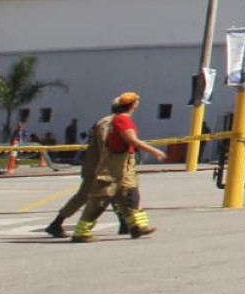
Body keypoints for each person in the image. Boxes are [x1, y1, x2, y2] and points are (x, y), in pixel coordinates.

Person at [70, 92, 165, 241]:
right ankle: (81, 232)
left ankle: (137, 226)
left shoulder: (122, 119)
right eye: (136, 101)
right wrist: (154, 151)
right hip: (115, 163)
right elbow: (132, 140)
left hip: (125, 162)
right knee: (101, 198)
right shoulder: (122, 120)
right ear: (133, 104)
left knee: (129, 194)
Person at [43, 113, 132, 238]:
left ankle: (125, 223)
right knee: (84, 196)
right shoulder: (108, 123)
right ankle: (56, 223)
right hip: (98, 168)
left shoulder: (112, 121)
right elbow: (104, 144)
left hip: (104, 166)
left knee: (116, 193)